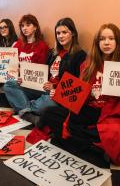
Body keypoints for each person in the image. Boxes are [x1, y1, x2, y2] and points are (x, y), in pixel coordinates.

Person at [38, 23, 120, 166]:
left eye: (111, 38)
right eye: (102, 39)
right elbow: (77, 92)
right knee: (48, 113)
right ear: (97, 42)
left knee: (111, 131)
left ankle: (77, 144)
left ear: (117, 41)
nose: (106, 42)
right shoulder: (89, 64)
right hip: (87, 111)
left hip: (110, 114)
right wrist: (59, 92)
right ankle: (91, 148)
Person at [4, 17, 86, 123]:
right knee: (10, 84)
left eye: (64, 32)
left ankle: (24, 109)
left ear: (73, 33)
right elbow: (42, 74)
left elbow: (77, 86)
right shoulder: (53, 53)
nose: (60, 36)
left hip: (58, 94)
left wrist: (55, 87)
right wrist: (24, 80)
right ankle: (29, 111)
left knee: (47, 102)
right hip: (43, 87)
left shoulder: (80, 55)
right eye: (58, 33)